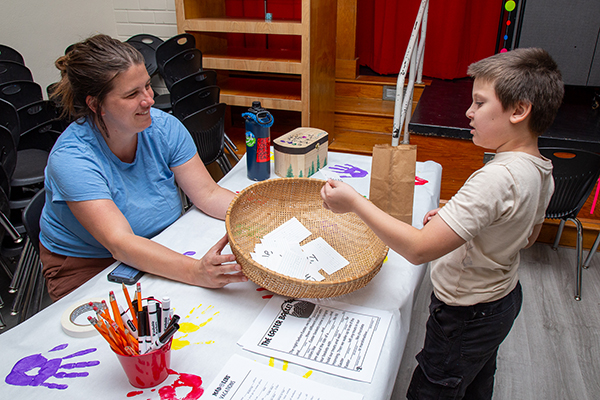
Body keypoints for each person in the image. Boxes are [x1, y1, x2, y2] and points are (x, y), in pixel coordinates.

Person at [321, 48, 564, 399]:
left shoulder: (496, 177)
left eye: (480, 103)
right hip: (503, 300)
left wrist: (355, 202)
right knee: (477, 379)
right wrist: (458, 224)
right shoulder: (541, 169)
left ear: (519, 110)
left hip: (466, 314)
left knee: (435, 387)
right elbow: (526, 236)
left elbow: (418, 250)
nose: (469, 112)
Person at [40, 34, 247, 301]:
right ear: (95, 104)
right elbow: (120, 243)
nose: (149, 99)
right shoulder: (72, 159)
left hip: (159, 242)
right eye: (132, 94)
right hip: (91, 264)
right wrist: (196, 272)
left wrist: (262, 214)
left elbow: (207, 194)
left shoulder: (163, 127)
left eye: (147, 86)